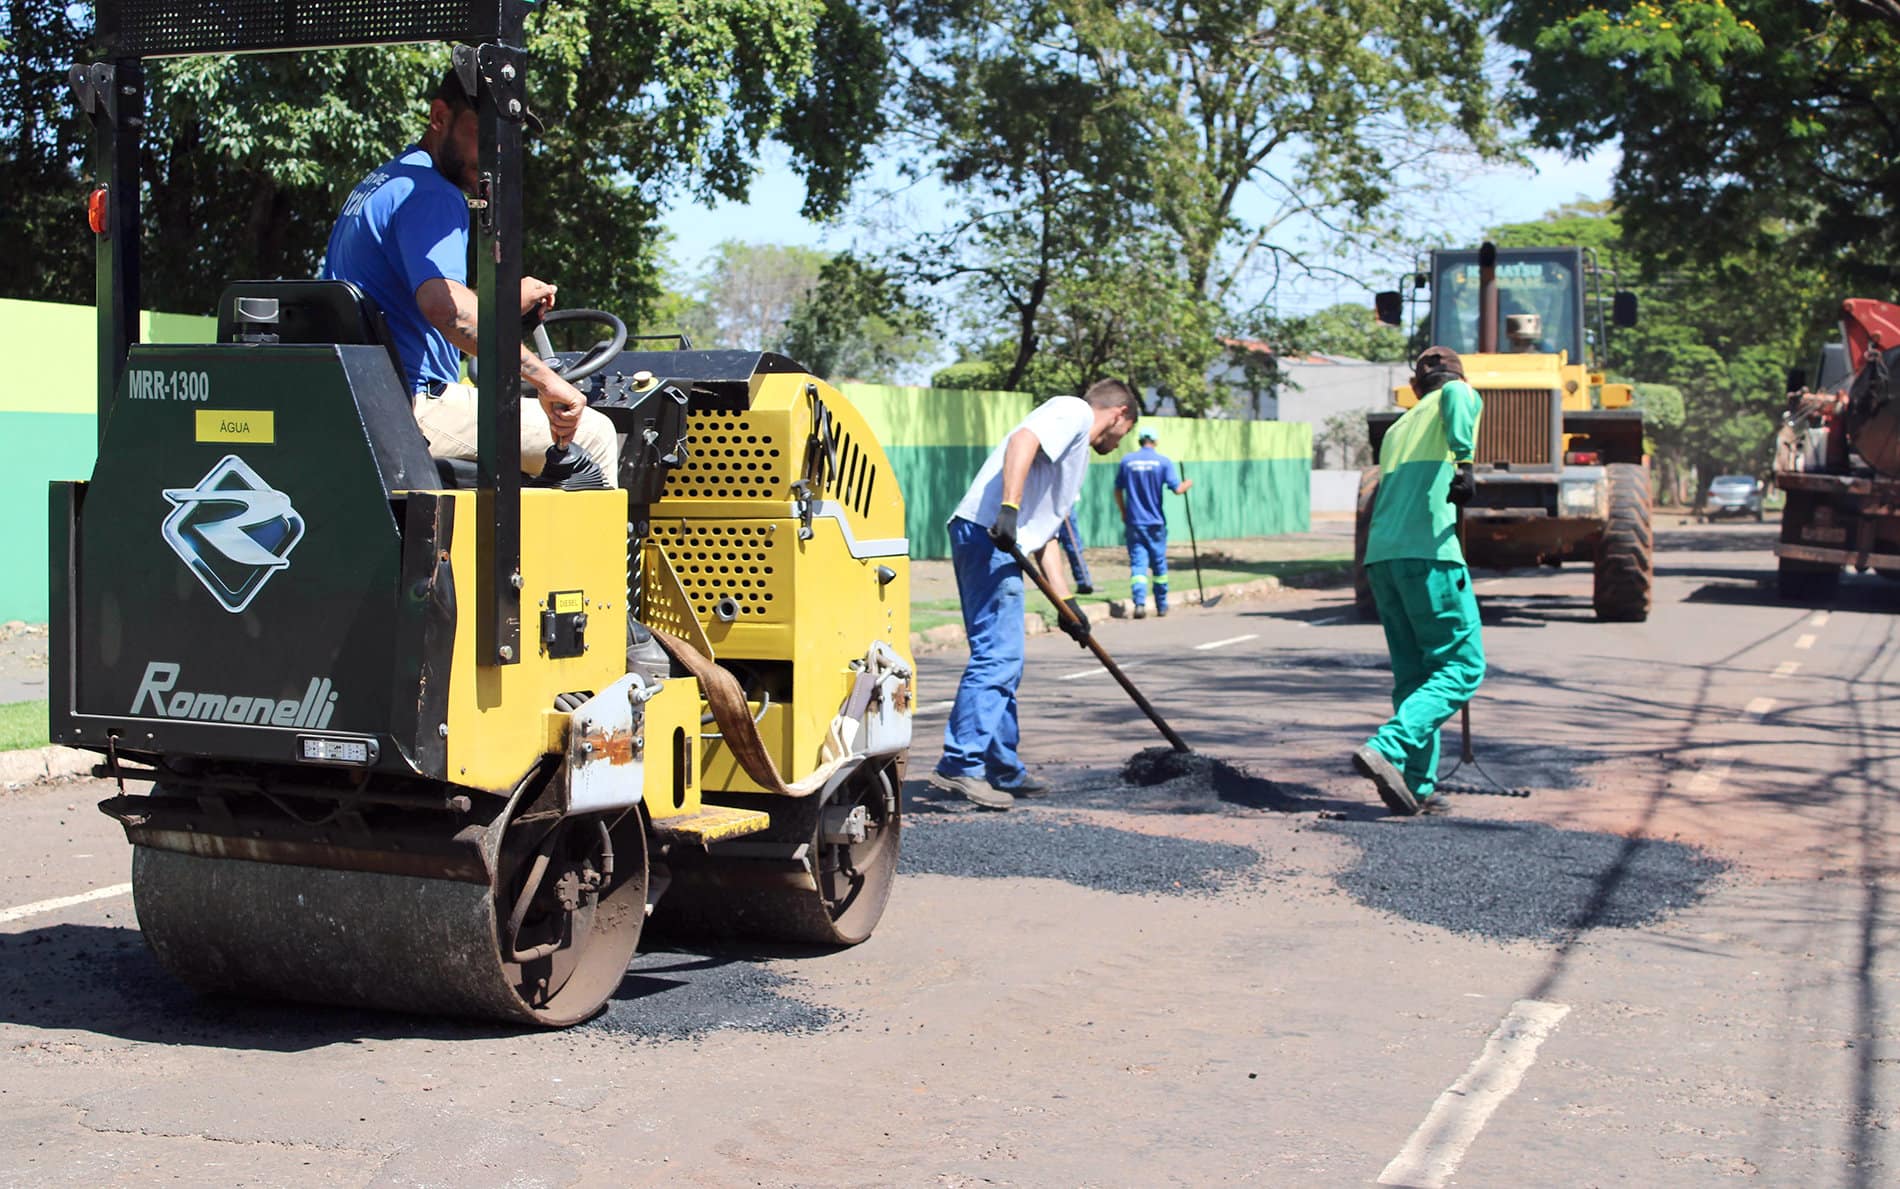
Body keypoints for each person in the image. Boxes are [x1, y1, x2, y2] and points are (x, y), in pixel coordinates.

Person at [321, 68, 619, 485]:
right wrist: (547, 379)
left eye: (502, 140)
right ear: (439, 116)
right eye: (482, 132)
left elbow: (418, 302)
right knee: (596, 433)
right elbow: (446, 310)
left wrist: (504, 302)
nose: (491, 153)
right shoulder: (434, 194)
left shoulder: (386, 182)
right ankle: (596, 554)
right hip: (412, 401)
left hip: (365, 396)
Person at [930, 379, 1142, 810]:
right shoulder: (1074, 411)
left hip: (997, 538)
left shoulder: (1075, 451)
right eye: (1127, 432)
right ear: (1119, 413)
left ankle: (1001, 767)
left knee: (1006, 659)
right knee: (998, 656)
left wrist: (1068, 606)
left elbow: (1046, 536)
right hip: (990, 533)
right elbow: (1023, 440)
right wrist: (1008, 509)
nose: (1120, 443)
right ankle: (961, 764)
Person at [1353, 345, 1486, 815]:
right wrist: (1466, 464)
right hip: (1428, 554)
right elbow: (1458, 397)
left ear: (1414, 387)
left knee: (1415, 675)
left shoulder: (1398, 427)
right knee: (1463, 666)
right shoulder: (1457, 393)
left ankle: (1416, 784)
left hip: (1383, 559)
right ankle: (1388, 746)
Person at [1114, 431, 1193, 618]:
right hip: (1155, 522)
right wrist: (1188, 483)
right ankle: (1161, 604)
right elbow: (1178, 489)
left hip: (1134, 522)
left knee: (1138, 564)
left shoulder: (1127, 461)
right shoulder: (1163, 462)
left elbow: (1117, 490)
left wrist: (1123, 512)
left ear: (1140, 441)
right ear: (1156, 442)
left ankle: (1139, 603)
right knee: (1158, 564)